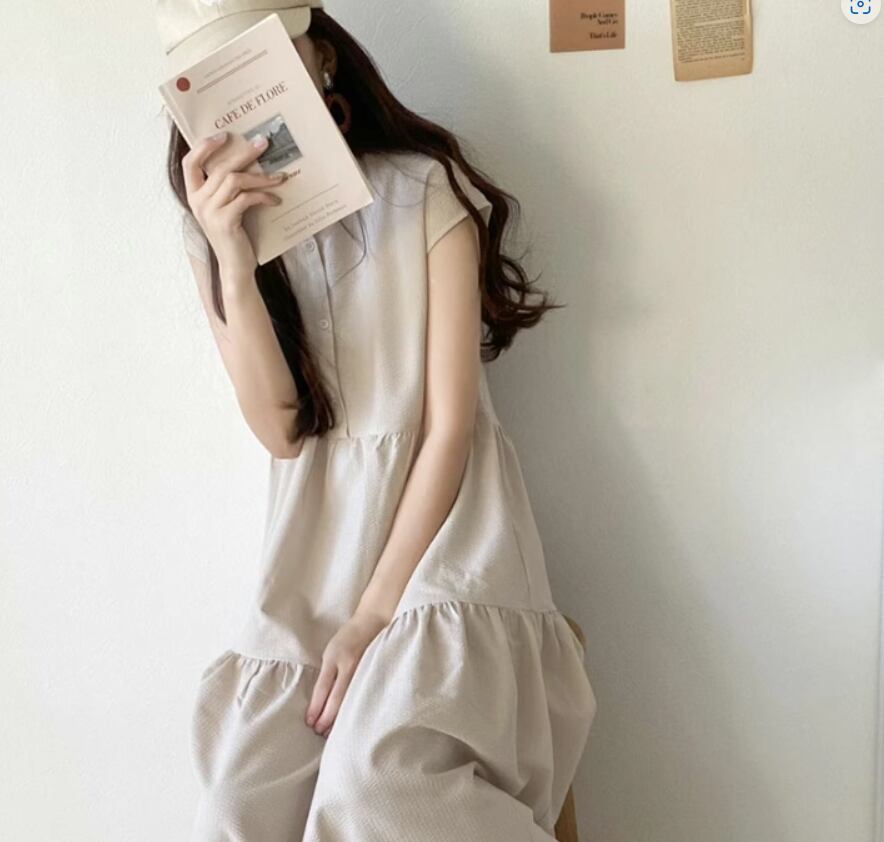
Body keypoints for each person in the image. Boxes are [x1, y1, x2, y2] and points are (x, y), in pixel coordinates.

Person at [156, 1, 597, 838]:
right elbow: (281, 431)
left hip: (447, 538)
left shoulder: (422, 190)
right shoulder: (216, 237)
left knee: (380, 790)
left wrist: (374, 616)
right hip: (315, 555)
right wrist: (233, 262)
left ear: (320, 57)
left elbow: (448, 428)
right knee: (236, 808)